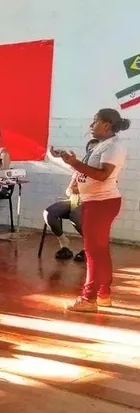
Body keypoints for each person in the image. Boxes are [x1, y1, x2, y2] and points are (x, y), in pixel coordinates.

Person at [56, 109, 130, 313]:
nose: (91, 125)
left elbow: (103, 175)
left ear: (106, 125)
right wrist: (73, 165)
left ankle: (89, 299)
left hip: (101, 203)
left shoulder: (114, 146)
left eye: (95, 121)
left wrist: (75, 163)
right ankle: (104, 293)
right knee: (100, 251)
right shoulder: (103, 145)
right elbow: (91, 173)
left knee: (93, 253)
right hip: (96, 201)